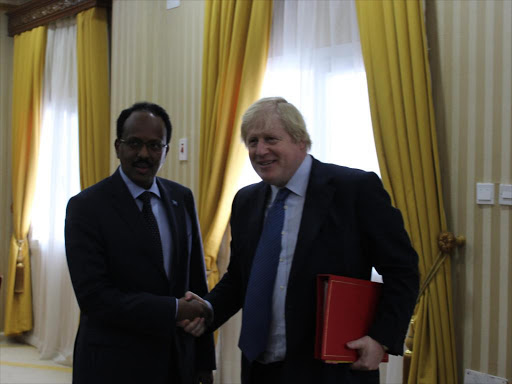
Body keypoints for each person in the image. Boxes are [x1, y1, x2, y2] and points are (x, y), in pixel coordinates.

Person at [185, 97, 419, 383]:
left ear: (301, 141)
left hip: (332, 370)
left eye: (271, 139)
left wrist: (380, 339)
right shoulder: (246, 200)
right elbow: (240, 278)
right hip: (260, 368)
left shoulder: (354, 190)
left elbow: (402, 270)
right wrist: (208, 309)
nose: (260, 151)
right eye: (252, 141)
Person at [65, 102, 215, 384]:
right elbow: (94, 298)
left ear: (166, 150)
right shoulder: (86, 207)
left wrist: (204, 363)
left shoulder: (181, 198)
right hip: (113, 366)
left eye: (155, 145)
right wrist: (173, 310)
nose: (144, 154)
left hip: (176, 363)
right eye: (134, 143)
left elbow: (196, 283)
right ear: (117, 146)